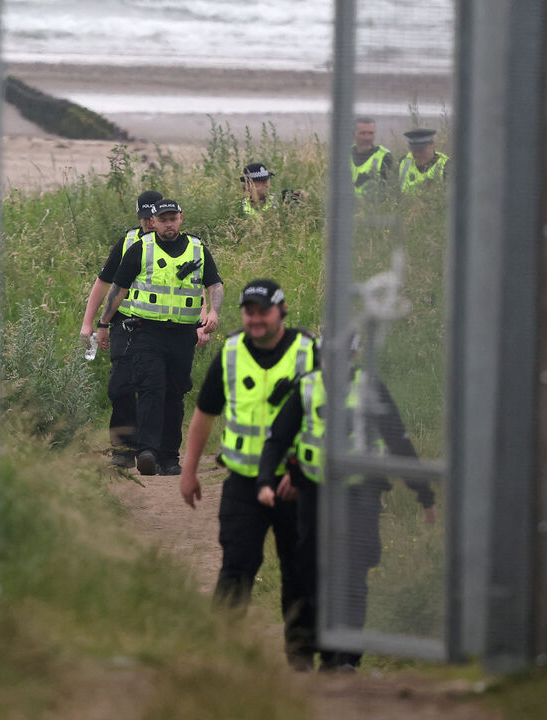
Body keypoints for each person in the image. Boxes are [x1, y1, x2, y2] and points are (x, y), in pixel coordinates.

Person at [256, 349, 436, 672]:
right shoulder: (307, 388)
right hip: (314, 492)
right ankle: (311, 650)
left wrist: (423, 492)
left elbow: (399, 441)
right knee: (311, 570)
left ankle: (345, 658)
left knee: (354, 574)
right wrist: (267, 481)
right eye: (326, 357)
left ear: (353, 356)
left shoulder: (370, 387)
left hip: (362, 493)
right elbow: (278, 439)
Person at [177, 279, 319, 667]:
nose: (255, 320)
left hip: (294, 484)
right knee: (237, 565)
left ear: (281, 311)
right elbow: (204, 414)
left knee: (299, 571)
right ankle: (221, 650)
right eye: (249, 311)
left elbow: (326, 418)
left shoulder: (308, 352)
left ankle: (302, 656)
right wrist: (189, 471)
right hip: (242, 482)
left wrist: (304, 473)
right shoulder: (232, 352)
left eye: (263, 311)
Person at [97, 199, 224, 476]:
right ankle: (147, 451)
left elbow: (214, 283)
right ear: (153, 222)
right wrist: (103, 322)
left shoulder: (197, 248)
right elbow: (117, 289)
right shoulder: (141, 248)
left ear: (181, 218)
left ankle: (169, 457)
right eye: (162, 219)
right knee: (151, 388)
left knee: (175, 394)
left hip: (182, 334)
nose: (168, 224)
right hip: (146, 331)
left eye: (172, 218)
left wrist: (213, 312)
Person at [80, 189, 164, 468]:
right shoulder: (129, 240)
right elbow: (103, 282)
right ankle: (123, 450)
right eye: (145, 218)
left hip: (161, 327)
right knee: (121, 385)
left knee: (155, 386)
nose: (150, 224)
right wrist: (89, 323)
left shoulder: (178, 243)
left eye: (153, 217)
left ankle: (153, 449)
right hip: (124, 324)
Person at [351, 116, 394, 198]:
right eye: (362, 133)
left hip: (372, 208)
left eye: (371, 133)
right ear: (353, 134)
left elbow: (389, 191)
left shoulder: (385, 157)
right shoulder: (345, 155)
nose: (367, 138)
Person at [398, 128, 449, 194]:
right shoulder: (404, 162)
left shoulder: (446, 167)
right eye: (414, 150)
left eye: (421, 150)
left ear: (433, 145)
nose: (417, 154)